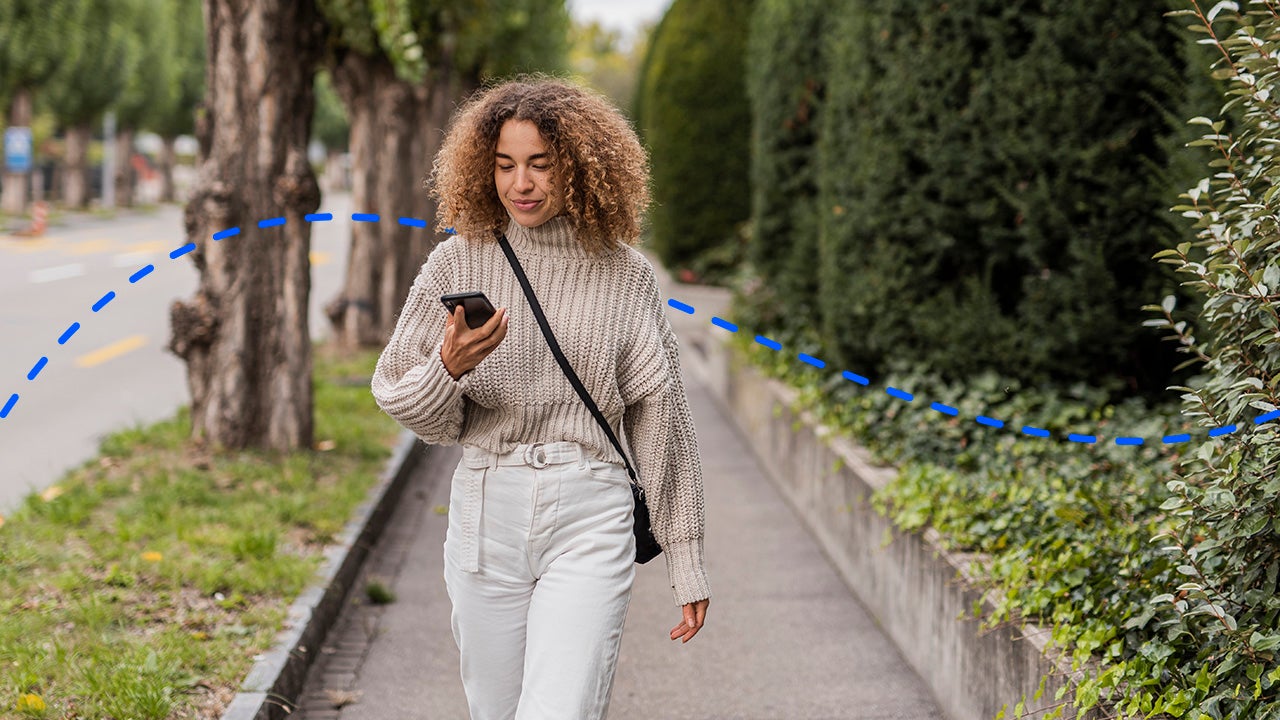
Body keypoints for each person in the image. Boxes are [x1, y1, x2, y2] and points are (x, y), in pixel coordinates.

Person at [370, 75, 712, 720]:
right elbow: (406, 403)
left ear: (580, 169)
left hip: (591, 511)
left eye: (539, 165)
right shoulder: (458, 262)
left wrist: (686, 558)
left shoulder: (625, 275)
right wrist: (448, 367)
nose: (520, 184)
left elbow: (663, 420)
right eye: (504, 166)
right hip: (484, 512)